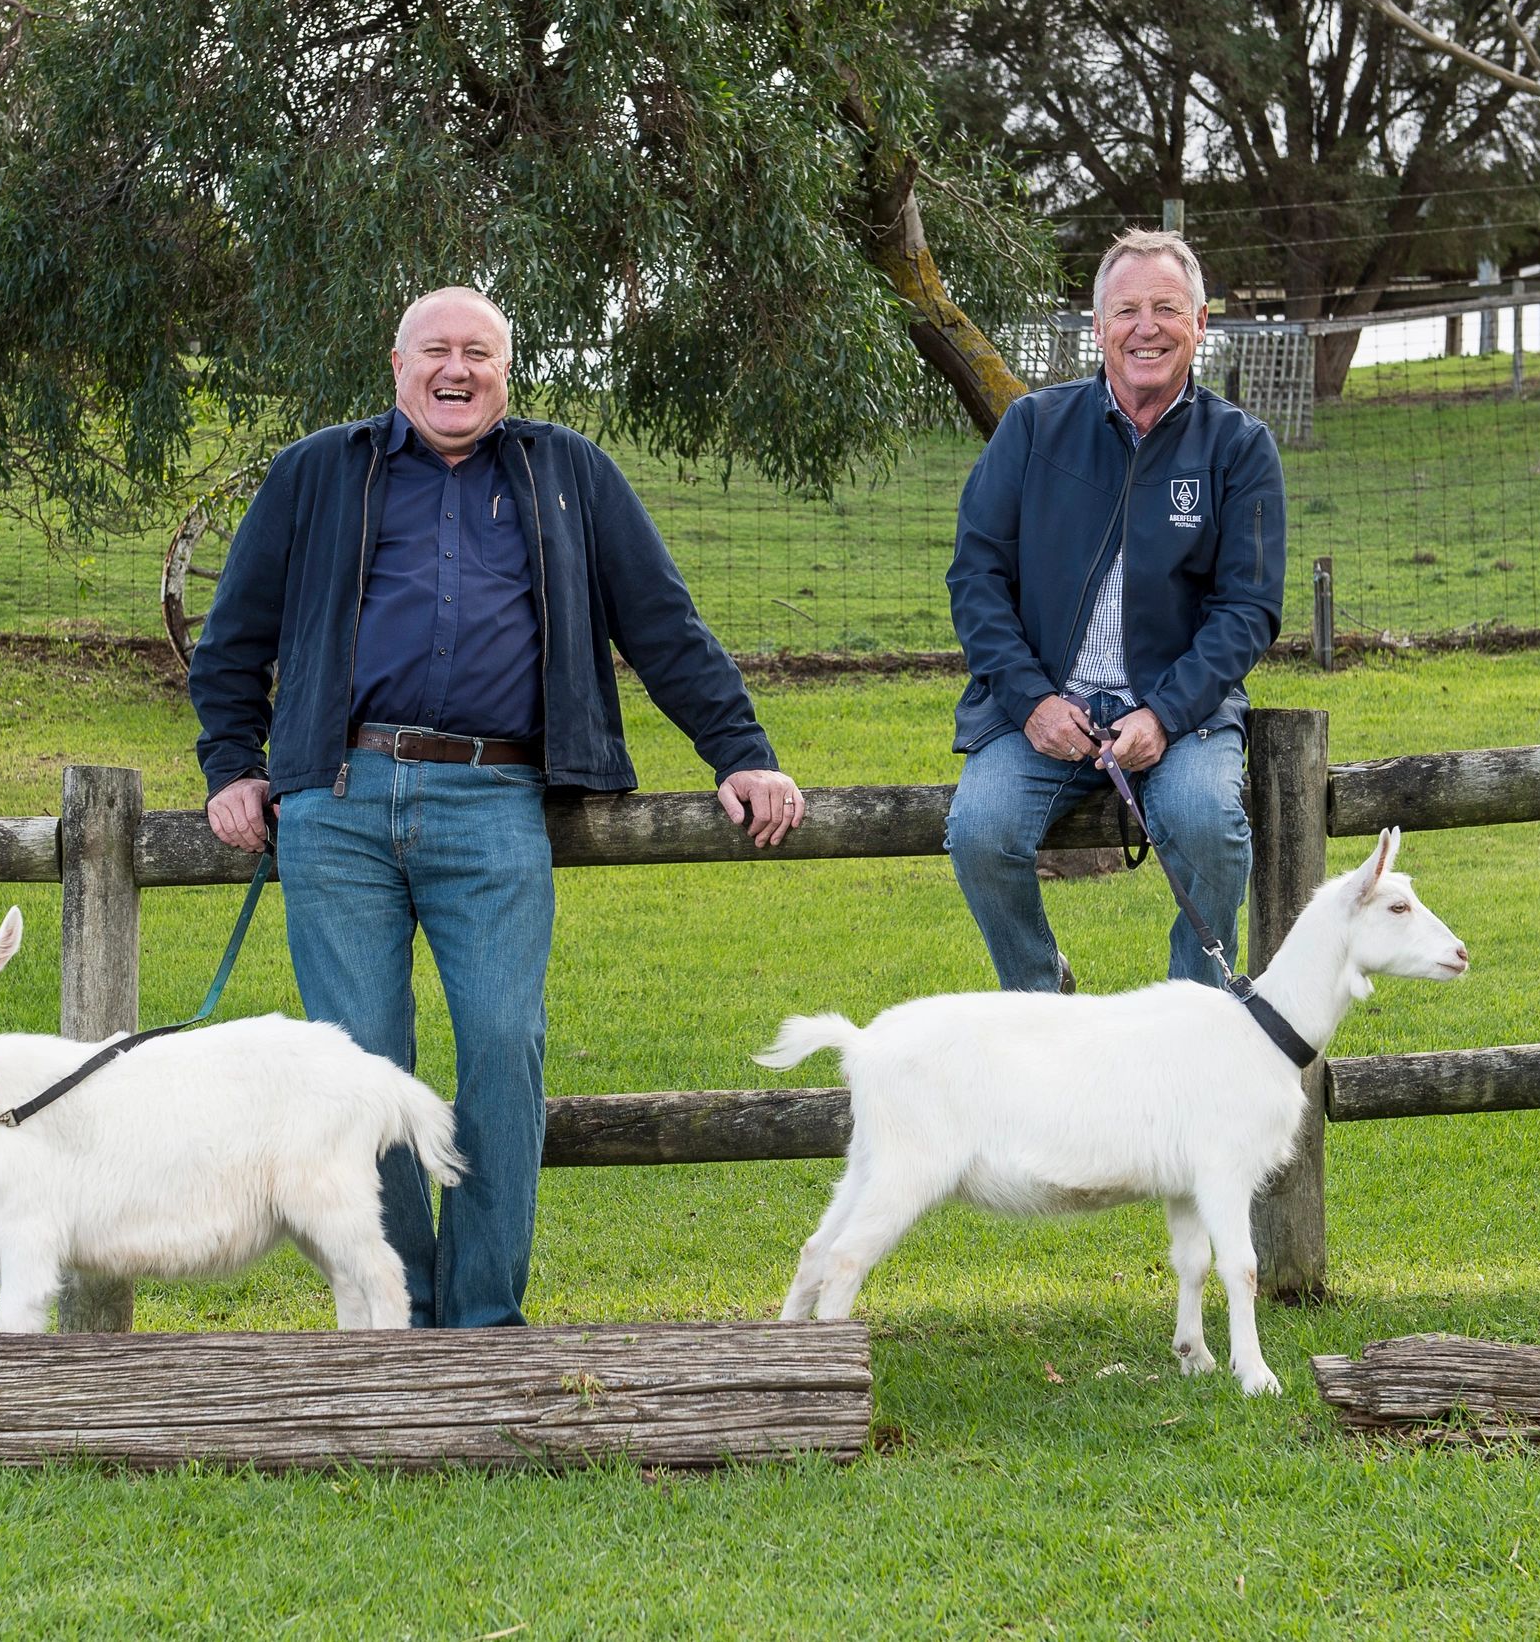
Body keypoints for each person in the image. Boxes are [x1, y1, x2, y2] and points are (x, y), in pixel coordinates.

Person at [190, 287, 804, 1328]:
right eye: (436, 350)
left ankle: (481, 1318)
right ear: (396, 365)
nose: (456, 369)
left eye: (479, 352)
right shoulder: (316, 471)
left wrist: (741, 752)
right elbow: (233, 637)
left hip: (497, 799)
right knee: (358, 1063)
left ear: (506, 373)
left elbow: (663, 623)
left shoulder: (567, 472)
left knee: (504, 1043)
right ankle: (398, 1306)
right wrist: (229, 765)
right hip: (338, 800)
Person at [945, 230, 1285, 994]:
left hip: (1179, 712)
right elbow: (976, 577)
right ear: (1097, 328)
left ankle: (1190, 1016)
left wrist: (1163, 714)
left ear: (1199, 324)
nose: (1146, 327)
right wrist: (1032, 702)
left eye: (1168, 308)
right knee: (980, 831)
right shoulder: (1032, 428)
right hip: (1042, 711)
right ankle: (1041, 1002)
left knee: (1208, 825)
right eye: (1126, 309)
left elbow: (1249, 607)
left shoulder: (1239, 447)